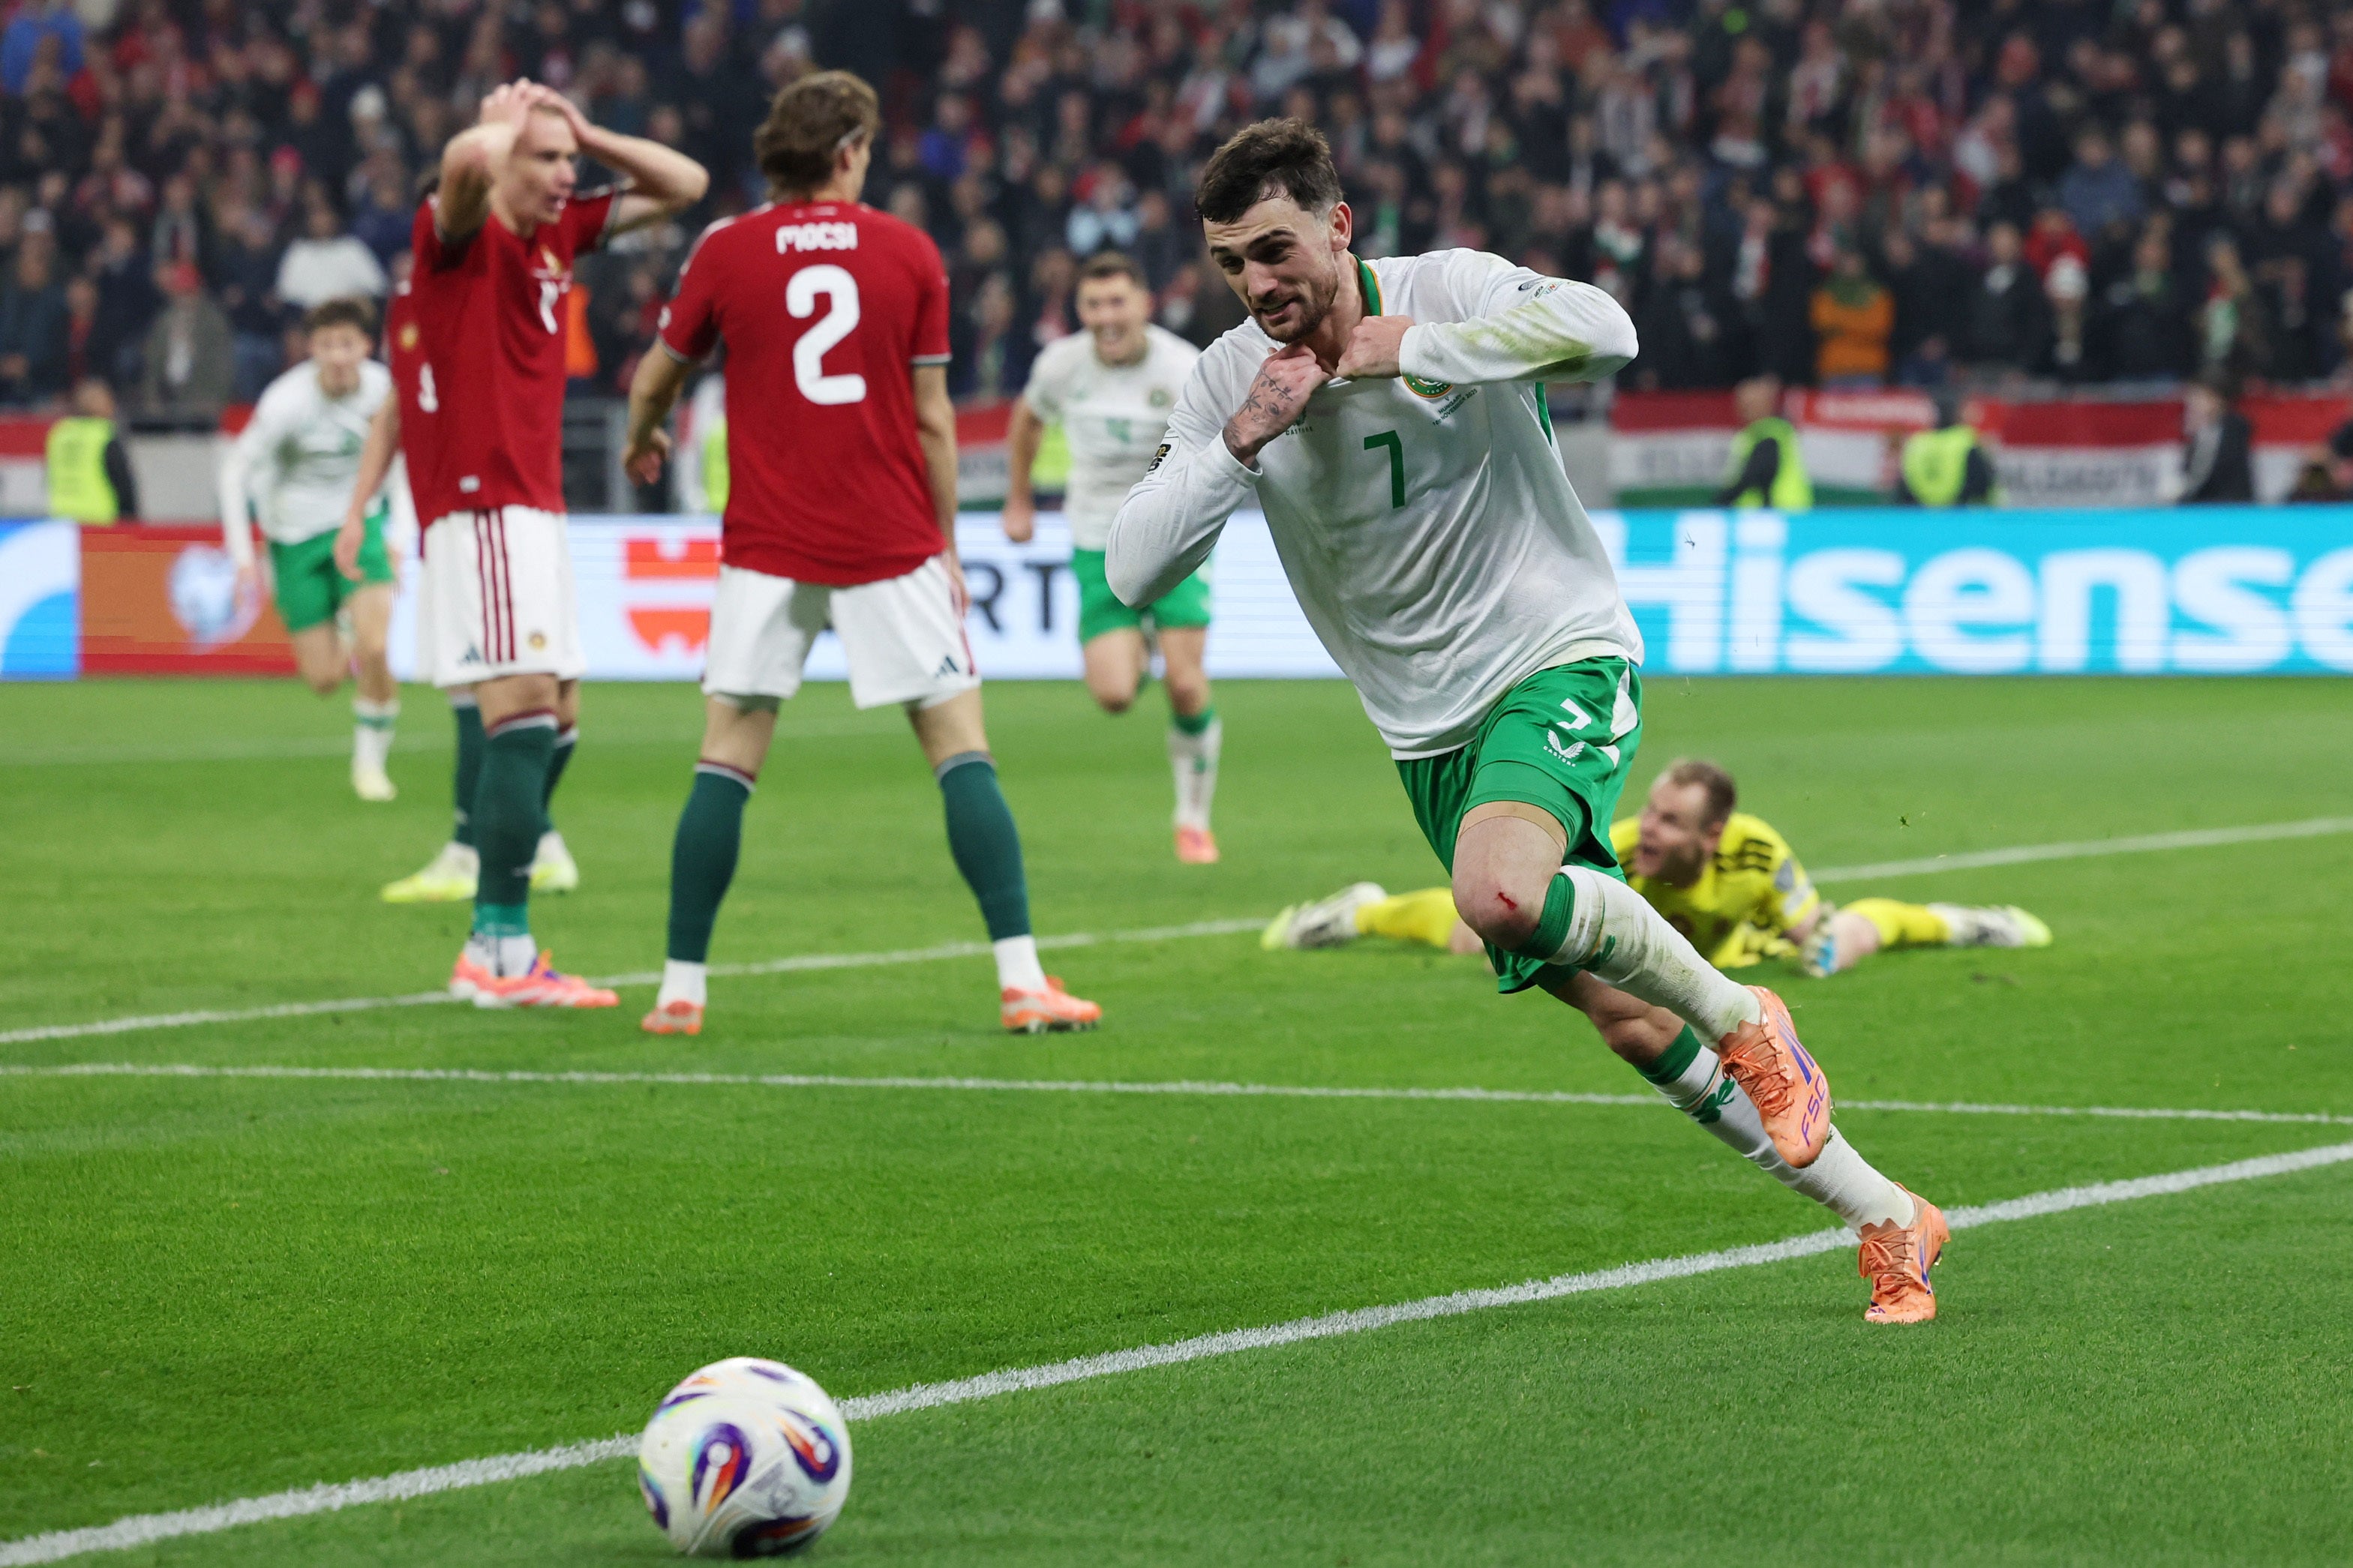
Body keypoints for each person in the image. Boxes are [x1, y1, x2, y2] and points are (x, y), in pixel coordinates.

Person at [1109, 118, 1946, 1324]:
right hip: (1424, 733)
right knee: (1619, 1015)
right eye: (1233, 261)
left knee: (1497, 891)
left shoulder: (1446, 288)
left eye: (1277, 248)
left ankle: (1749, 1017)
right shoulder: (1229, 380)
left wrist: (1421, 349)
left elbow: (1609, 330)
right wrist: (1243, 441)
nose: (1258, 283)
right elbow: (1134, 568)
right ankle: (1885, 1216)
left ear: (1339, 227)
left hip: (1555, 651)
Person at [622, 70, 1100, 1039]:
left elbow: (656, 375)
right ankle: (1021, 979)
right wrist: (948, 545)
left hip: (766, 541)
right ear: (847, 152)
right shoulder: (906, 250)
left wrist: (643, 435)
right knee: (959, 747)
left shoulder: (727, 250)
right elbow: (931, 420)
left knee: (725, 757)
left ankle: (680, 988)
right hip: (889, 538)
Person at [335, 79, 707, 1007]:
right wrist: (500, 135)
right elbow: (462, 169)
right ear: (501, 160)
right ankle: (498, 952)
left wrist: (584, 130)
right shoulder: (456, 237)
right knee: (525, 708)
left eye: (566, 162)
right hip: (483, 502)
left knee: (558, 717)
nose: (562, 175)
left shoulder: (557, 234)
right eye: (544, 160)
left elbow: (685, 184)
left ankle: (495, 936)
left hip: (532, 509)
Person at [1265, 760, 2050, 980]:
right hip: (1657, 955)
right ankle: (1360, 912)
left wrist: (1808, 949)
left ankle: (1964, 923)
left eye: (1671, 823)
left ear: (1712, 836)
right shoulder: (1616, 849)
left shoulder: (1756, 854)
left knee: (1832, 950)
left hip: (1730, 950)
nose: (1649, 831)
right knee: (1481, 935)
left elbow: (1806, 928)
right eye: (1651, 813)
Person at [1003, 250, 1221, 864]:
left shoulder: (1182, 366)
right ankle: (1139, 644)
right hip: (1096, 539)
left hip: (1173, 538)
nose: (1107, 316)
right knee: (1114, 695)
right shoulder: (1061, 365)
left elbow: (1216, 445)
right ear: (1080, 310)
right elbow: (1026, 421)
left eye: (1118, 302)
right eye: (1094, 304)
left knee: (1184, 684)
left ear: (1144, 305)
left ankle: (1193, 819)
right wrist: (1018, 501)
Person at [218, 297, 402, 801]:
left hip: (359, 524)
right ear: (311, 349)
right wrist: (242, 557)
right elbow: (236, 471)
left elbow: (403, 462)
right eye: (327, 345)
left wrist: (400, 536)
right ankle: (344, 626)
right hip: (293, 536)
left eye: (347, 344)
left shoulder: (385, 391)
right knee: (323, 679)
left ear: (366, 346)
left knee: (378, 646)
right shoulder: (285, 402)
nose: (338, 355)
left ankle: (370, 765)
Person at [44, 377, 137, 522]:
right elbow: (123, 485)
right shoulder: (103, 434)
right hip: (99, 521)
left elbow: (49, 476)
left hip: (62, 520)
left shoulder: (60, 433)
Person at [1712, 373, 1811, 509]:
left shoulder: (1769, 435)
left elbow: (1756, 475)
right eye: (1741, 403)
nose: (1743, 409)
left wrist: (1720, 503)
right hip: (1781, 516)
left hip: (1776, 516)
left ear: (1767, 404)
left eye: (1750, 403)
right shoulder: (1770, 433)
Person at [1895, 391, 2001, 506]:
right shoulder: (1965, 439)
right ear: (1956, 413)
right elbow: (1982, 482)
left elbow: (1903, 485)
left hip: (1919, 515)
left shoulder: (1916, 443)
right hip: (1959, 513)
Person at [2179, 374, 2254, 502]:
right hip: (2201, 506)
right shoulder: (2199, 434)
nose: (2192, 402)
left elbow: (2214, 470)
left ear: (2215, 399)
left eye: (2198, 396)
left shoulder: (2234, 426)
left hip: (2231, 506)